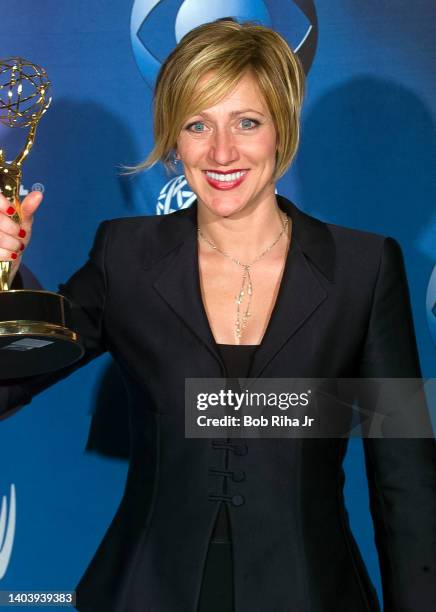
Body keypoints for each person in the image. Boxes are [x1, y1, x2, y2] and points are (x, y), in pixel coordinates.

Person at [1, 18, 435, 612]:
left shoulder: (365, 267)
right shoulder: (125, 256)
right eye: (197, 124)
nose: (221, 152)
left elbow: (406, 482)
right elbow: (12, 376)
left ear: (281, 127)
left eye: (246, 123)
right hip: (143, 593)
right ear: (173, 137)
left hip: (312, 595)